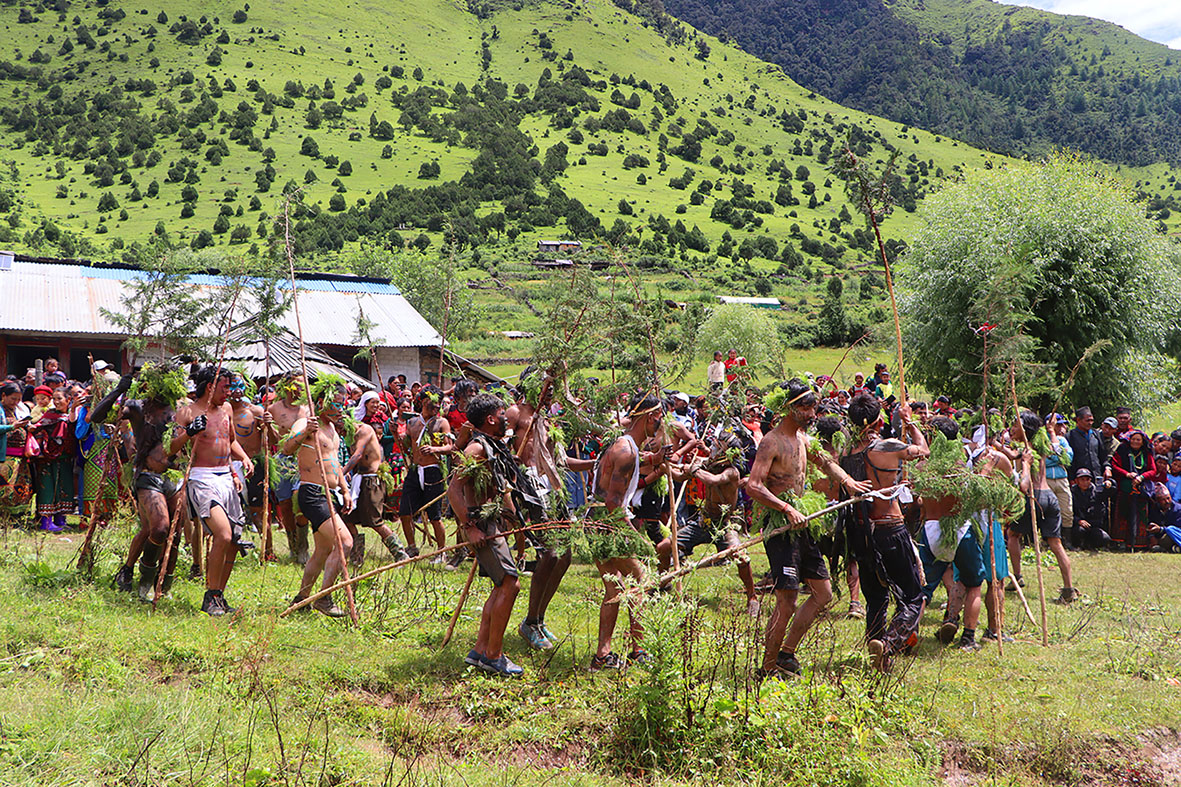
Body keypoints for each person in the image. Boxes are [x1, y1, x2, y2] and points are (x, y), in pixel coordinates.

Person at [746, 379, 870, 678]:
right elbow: (753, 485)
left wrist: (848, 482)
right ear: (790, 408)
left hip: (804, 526)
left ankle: (786, 654)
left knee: (823, 594)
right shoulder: (771, 441)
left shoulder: (803, 439)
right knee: (786, 601)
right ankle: (767, 667)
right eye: (806, 407)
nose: (813, 412)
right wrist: (786, 508)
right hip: (780, 528)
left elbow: (826, 463)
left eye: (814, 406)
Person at [841, 393, 929, 672]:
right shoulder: (886, 447)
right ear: (878, 419)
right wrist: (909, 422)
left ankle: (876, 650)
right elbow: (923, 451)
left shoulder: (846, 454)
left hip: (860, 531)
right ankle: (889, 643)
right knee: (913, 596)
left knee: (876, 596)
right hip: (890, 528)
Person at [505, 370, 589, 650]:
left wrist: (595, 463)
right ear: (531, 385)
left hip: (552, 490)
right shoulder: (515, 413)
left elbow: (561, 461)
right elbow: (499, 452)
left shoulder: (548, 421)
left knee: (564, 556)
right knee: (550, 553)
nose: (551, 390)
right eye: (547, 385)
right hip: (528, 491)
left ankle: (538, 619)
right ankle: (529, 621)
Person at [586, 390, 665, 670]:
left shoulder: (628, 446)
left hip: (594, 522)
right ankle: (639, 650)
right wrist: (634, 537)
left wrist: (658, 458)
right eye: (658, 417)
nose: (661, 423)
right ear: (647, 416)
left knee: (614, 587)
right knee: (641, 578)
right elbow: (613, 503)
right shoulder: (627, 451)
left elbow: (639, 460)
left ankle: (602, 656)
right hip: (607, 523)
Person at [94, 368, 187, 601]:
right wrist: (118, 390)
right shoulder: (137, 407)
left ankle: (163, 584)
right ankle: (143, 580)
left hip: (174, 476)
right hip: (147, 475)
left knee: (173, 534)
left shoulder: (182, 408)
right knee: (158, 528)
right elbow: (97, 417)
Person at [449, 393, 524, 676]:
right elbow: (454, 489)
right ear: (491, 418)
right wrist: (470, 528)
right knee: (510, 584)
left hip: (491, 523)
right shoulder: (476, 450)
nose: (507, 416)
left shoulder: (491, 446)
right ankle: (494, 655)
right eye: (503, 412)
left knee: (501, 584)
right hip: (482, 525)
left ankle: (480, 650)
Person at [174, 365, 254, 616]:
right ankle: (210, 594)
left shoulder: (227, 409)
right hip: (202, 478)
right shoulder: (187, 412)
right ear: (210, 387)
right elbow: (170, 447)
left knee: (234, 541)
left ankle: (219, 594)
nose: (229, 393)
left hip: (227, 479)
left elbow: (229, 441)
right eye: (225, 387)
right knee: (223, 534)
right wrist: (189, 432)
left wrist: (242, 461)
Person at [282, 379, 355, 617]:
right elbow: (286, 449)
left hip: (330, 494)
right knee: (345, 543)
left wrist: (344, 489)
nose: (340, 408)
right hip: (312, 494)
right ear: (322, 402)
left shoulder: (333, 430)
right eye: (336, 403)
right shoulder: (306, 422)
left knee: (323, 550)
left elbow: (336, 463)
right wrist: (305, 432)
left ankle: (302, 598)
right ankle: (324, 598)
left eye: (343, 403)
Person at [915, 417, 987, 651]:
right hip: (961, 528)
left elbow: (917, 500)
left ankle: (909, 632)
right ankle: (968, 637)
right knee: (974, 585)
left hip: (932, 528)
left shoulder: (922, 467)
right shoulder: (961, 465)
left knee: (922, 591)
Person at [673, 431, 759, 616]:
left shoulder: (732, 472)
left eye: (718, 446)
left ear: (729, 453)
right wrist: (664, 466)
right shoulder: (709, 465)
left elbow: (713, 480)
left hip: (725, 523)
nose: (713, 449)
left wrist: (695, 469)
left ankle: (752, 596)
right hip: (703, 521)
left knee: (741, 557)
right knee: (666, 546)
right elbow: (680, 475)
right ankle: (662, 586)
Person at [1008, 412, 1078, 603]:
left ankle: (1017, 576)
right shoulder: (1041, 445)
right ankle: (1068, 588)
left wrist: (1024, 465)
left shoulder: (1028, 452)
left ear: (1025, 430)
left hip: (1034, 497)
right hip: (1050, 497)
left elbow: (1024, 484)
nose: (1012, 429)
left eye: (1015, 426)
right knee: (1056, 543)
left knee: (1013, 535)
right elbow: (1055, 449)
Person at [343, 405, 410, 563]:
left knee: (375, 521)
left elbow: (358, 454)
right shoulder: (349, 435)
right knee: (348, 518)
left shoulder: (365, 430)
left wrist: (343, 470)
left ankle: (401, 554)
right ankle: (356, 557)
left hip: (372, 481)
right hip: (360, 480)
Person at [399, 386, 453, 559]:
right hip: (415, 470)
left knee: (435, 515)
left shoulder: (441, 423)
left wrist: (434, 449)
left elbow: (450, 446)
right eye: (432, 404)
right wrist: (396, 434)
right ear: (423, 401)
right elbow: (407, 446)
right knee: (404, 512)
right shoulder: (413, 422)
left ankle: (441, 552)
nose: (436, 407)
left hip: (433, 471)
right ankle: (412, 547)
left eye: (438, 404)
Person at [228, 375, 276, 553]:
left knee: (259, 511)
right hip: (228, 465)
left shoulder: (256, 411)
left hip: (253, 466)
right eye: (232, 386)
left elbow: (273, 441)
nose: (236, 390)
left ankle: (268, 551)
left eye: (240, 385)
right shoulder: (220, 412)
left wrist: (268, 426)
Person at [268, 374, 311, 564]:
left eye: (303, 385)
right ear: (286, 387)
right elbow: (272, 441)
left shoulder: (308, 409)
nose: (300, 389)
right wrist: (268, 425)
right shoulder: (274, 409)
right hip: (283, 460)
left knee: (299, 499)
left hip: (303, 458)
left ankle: (303, 548)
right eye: (296, 385)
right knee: (285, 505)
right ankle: (293, 546)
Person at [29, 388, 76, 532]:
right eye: (54, 399)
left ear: (68, 400)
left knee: (64, 487)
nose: (56, 402)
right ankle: (46, 522)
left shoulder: (70, 416)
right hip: (47, 459)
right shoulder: (50, 415)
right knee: (48, 488)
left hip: (65, 458)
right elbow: (37, 427)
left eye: (59, 399)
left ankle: (60, 519)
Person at [1109, 429, 1161, 551]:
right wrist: (1127, 474)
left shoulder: (1146, 453)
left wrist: (1141, 477)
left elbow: (1153, 470)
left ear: (1142, 442)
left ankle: (1138, 544)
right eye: (1133, 439)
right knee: (1122, 514)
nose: (1135, 442)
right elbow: (1114, 465)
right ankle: (1120, 543)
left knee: (1140, 517)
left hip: (1141, 489)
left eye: (1138, 440)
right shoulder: (1122, 450)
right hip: (1125, 488)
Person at [0, 381, 34, 523]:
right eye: (13, 399)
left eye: (18, 399)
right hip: (5, 458)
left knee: (22, 489)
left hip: (20, 458)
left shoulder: (19, 409)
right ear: (3, 396)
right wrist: (11, 427)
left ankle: (19, 519)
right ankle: (4, 519)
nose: (16, 402)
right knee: (5, 490)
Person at [1044, 414, 1075, 548]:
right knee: (1047, 511)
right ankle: (1047, 540)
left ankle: (1066, 540)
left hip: (1061, 479)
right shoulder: (1041, 439)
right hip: (1046, 479)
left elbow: (1067, 458)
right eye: (1058, 424)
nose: (1062, 427)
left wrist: (1053, 457)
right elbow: (1041, 460)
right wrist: (1057, 458)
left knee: (1067, 509)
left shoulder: (1062, 440)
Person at [1071, 468, 1112, 550]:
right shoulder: (1071, 492)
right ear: (1077, 480)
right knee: (1078, 531)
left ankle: (1091, 545)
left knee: (1105, 538)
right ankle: (1079, 545)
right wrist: (1078, 521)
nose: (1085, 482)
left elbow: (1109, 493)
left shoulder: (1096, 491)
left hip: (1093, 525)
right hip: (1078, 525)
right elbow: (1068, 512)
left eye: (1087, 479)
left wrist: (1109, 484)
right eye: (1082, 480)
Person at [1067, 407, 1102, 480]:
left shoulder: (1096, 434)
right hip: (1079, 479)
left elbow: (1102, 455)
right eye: (1087, 420)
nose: (1090, 423)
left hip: (1096, 476)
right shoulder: (1070, 436)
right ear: (1078, 420)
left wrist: (1107, 468)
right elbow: (1069, 461)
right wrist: (1072, 478)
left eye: (1092, 420)